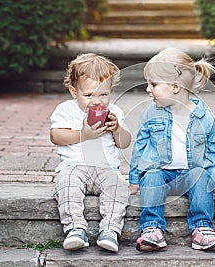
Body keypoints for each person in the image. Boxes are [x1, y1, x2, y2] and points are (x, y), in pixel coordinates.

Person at [129, 48, 215, 252]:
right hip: (162, 175)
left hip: (190, 176)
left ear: (175, 87)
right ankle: (152, 229)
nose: (148, 90)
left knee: (201, 175)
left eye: (154, 84)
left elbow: (212, 153)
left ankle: (202, 229)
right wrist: (134, 180)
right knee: (151, 175)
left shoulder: (206, 117)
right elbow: (140, 148)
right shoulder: (150, 113)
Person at [50, 53, 131, 252]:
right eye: (88, 95)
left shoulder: (115, 112)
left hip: (106, 168)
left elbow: (125, 143)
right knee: (66, 183)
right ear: (73, 91)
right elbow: (56, 136)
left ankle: (110, 231)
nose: (96, 101)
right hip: (74, 166)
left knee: (119, 187)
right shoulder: (66, 110)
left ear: (110, 91)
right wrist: (83, 134)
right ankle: (75, 228)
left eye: (103, 94)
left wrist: (117, 129)